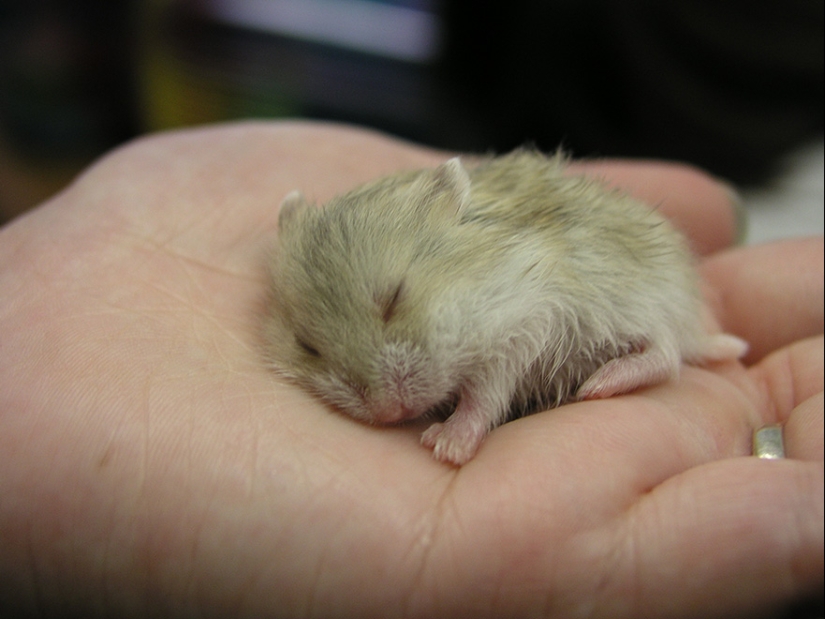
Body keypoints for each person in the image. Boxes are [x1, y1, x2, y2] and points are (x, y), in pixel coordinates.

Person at [0, 122, 821, 618]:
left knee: (620, 286)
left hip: (626, 290)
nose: (377, 390)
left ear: (451, 215)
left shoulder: (501, 251)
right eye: (318, 349)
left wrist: (472, 412)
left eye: (392, 304)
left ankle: (659, 345)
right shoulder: (304, 288)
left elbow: (526, 323)